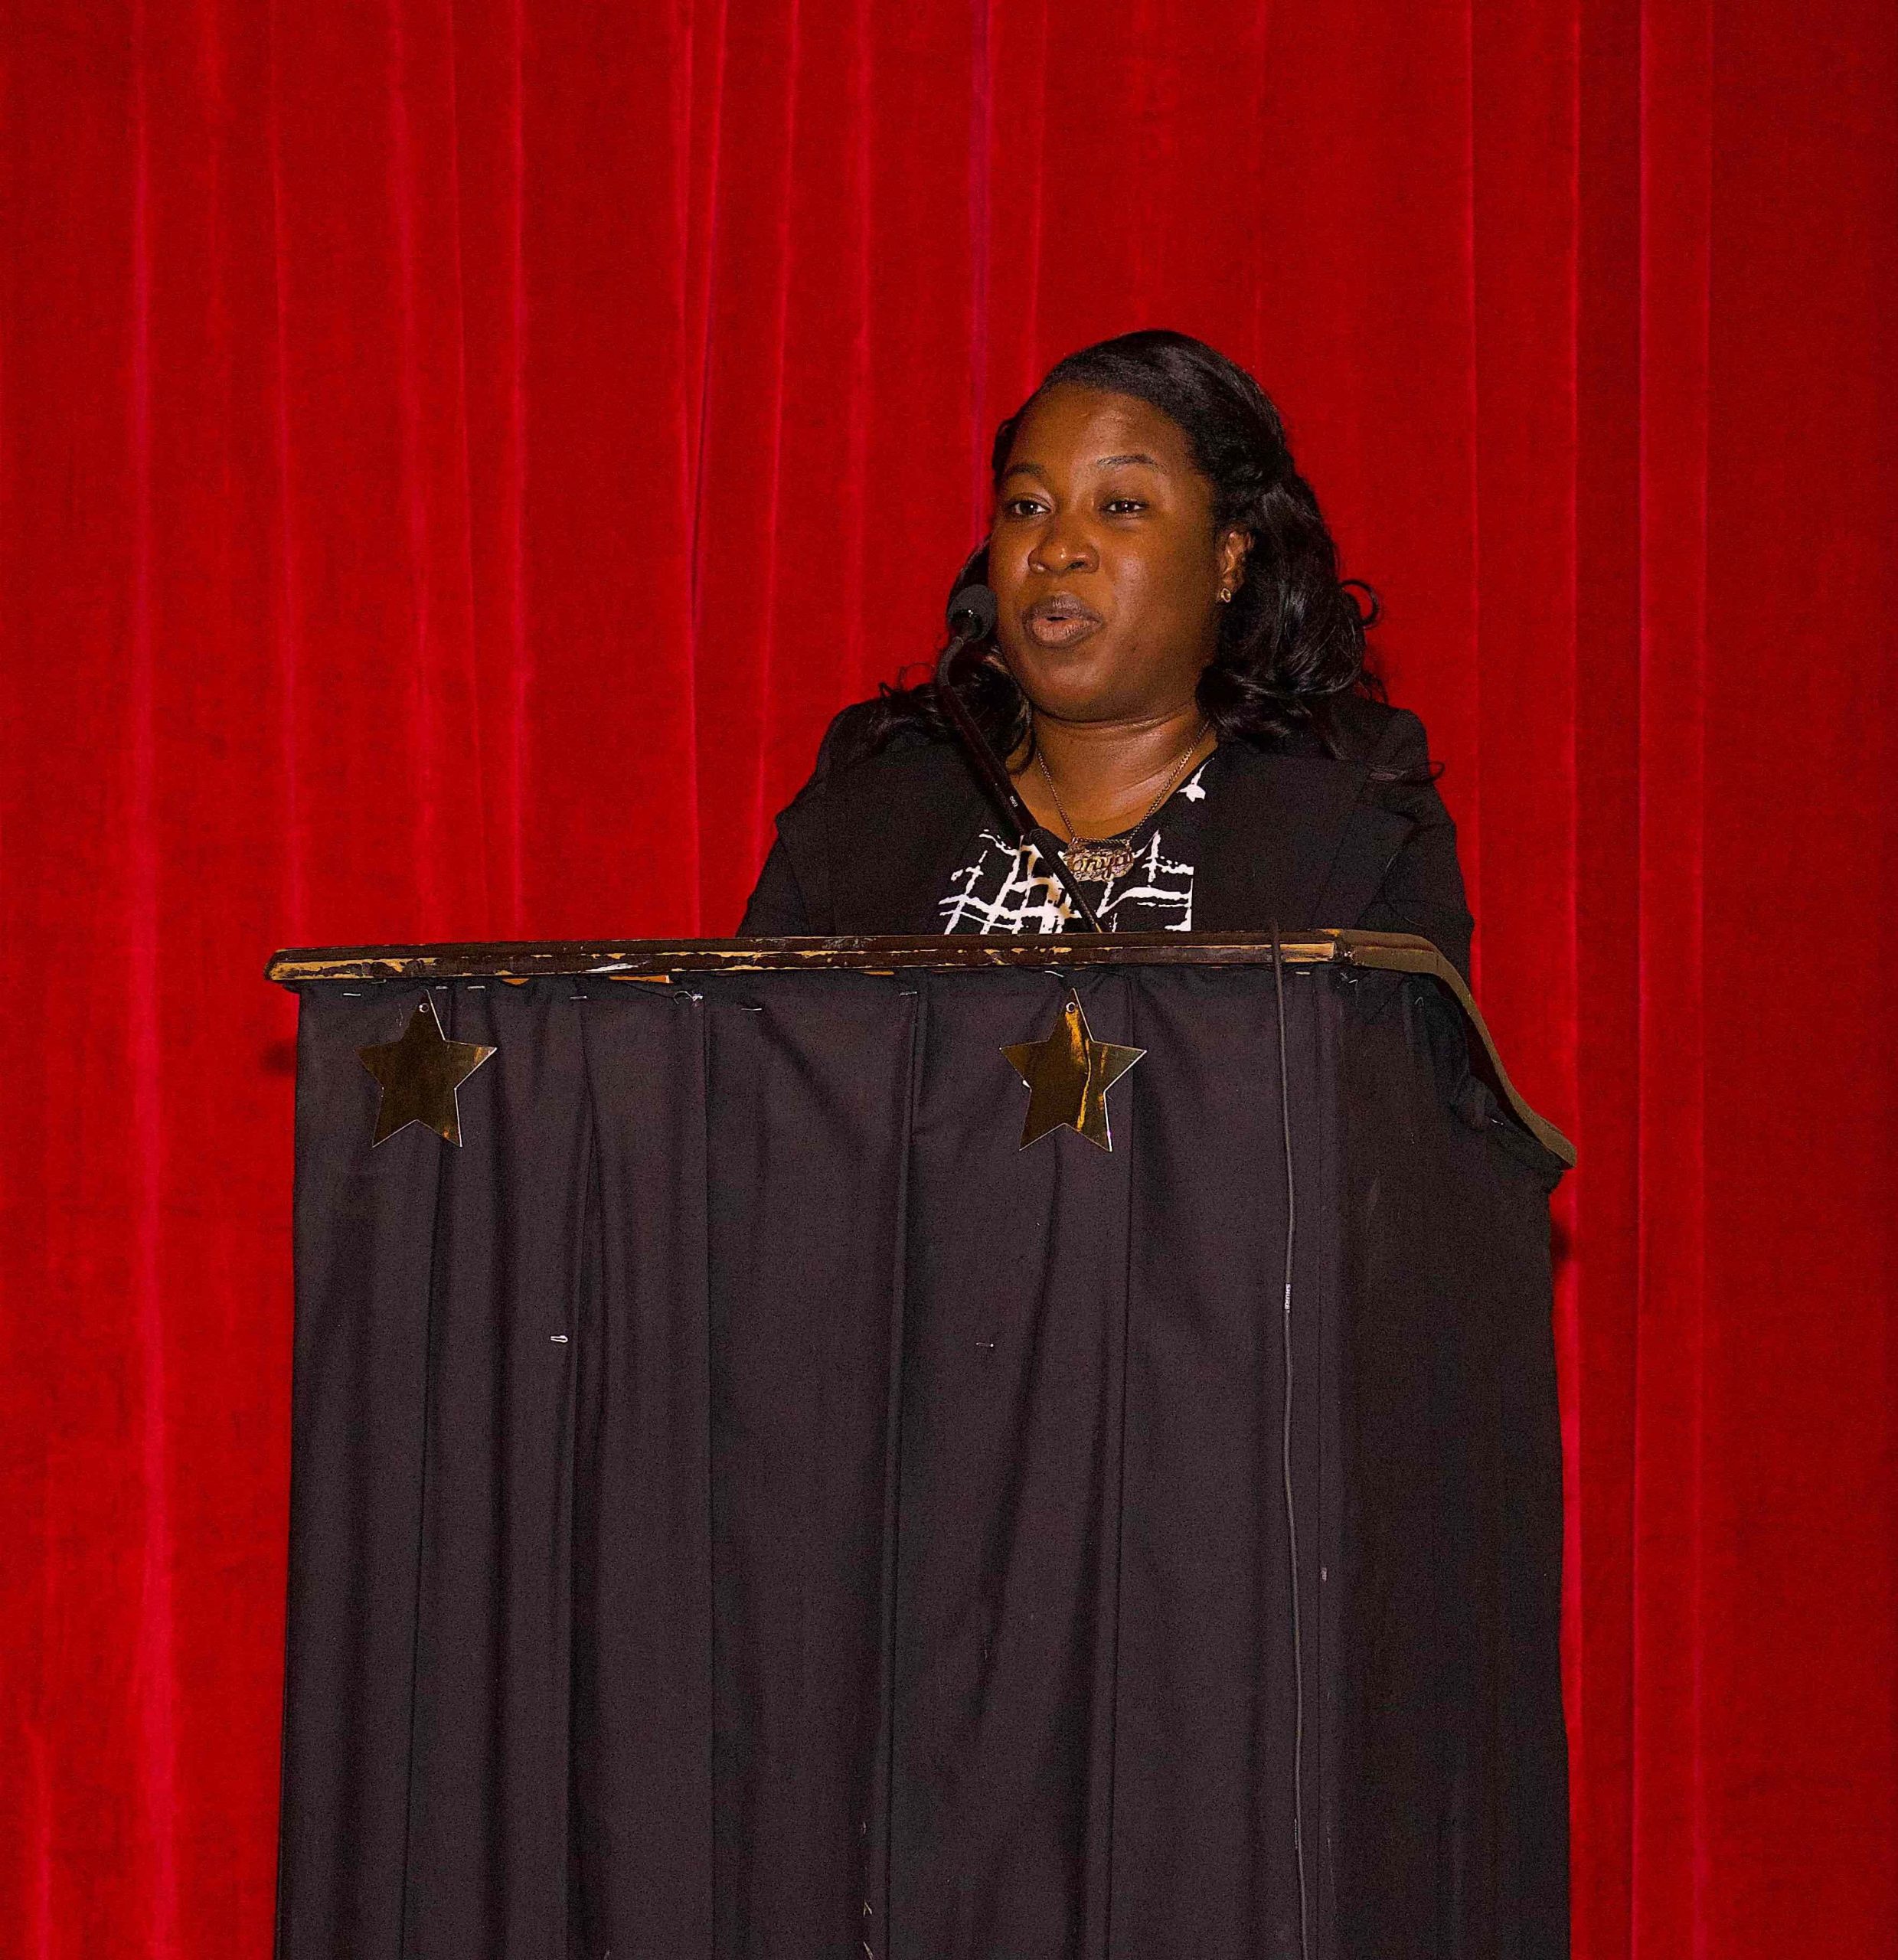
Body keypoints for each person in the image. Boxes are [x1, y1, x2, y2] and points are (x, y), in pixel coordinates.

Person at [739, 329, 1474, 978]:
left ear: (1228, 556)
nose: (1056, 549)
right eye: (1027, 508)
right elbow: (752, 1090)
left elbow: (1400, 1105)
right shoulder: (874, 797)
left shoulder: (1345, 802)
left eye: (1121, 505)